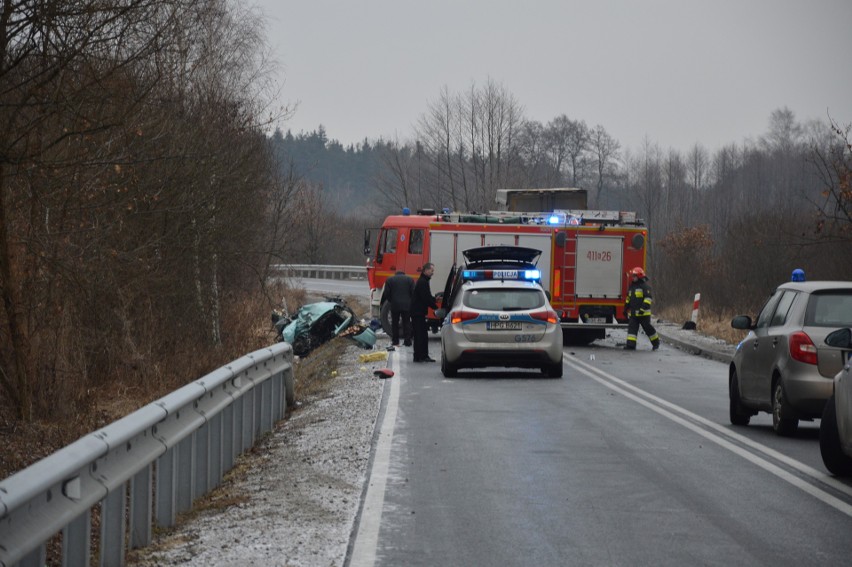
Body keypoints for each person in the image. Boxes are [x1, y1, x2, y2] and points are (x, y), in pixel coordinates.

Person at [624, 266, 660, 351]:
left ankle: (656, 343)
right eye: (632, 276)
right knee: (632, 329)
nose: (633, 278)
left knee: (648, 328)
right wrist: (625, 309)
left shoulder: (645, 287)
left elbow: (648, 299)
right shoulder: (632, 287)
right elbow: (628, 298)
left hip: (643, 314)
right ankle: (630, 345)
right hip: (633, 314)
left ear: (639, 276)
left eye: (634, 276)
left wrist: (642, 309)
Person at [411, 262, 438, 362]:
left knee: (421, 334)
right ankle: (421, 356)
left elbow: (426, 296)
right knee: (420, 334)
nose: (432, 273)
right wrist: (436, 308)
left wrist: (434, 299)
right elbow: (425, 298)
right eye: (432, 270)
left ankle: (420, 355)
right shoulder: (423, 282)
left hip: (418, 312)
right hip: (418, 313)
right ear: (426, 270)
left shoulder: (423, 281)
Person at [380, 270, 415, 346]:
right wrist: (410, 301)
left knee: (395, 323)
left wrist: (391, 300)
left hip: (395, 305)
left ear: (395, 274)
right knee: (407, 323)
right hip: (406, 305)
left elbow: (386, 293)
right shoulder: (410, 279)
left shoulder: (390, 280)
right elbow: (413, 292)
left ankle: (395, 341)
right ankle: (407, 341)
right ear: (404, 273)